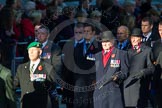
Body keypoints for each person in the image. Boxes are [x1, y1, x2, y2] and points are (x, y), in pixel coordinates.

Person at [14, 42, 56, 108]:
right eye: (29, 50)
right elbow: (14, 84)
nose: (31, 52)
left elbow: (53, 86)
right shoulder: (21, 68)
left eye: (33, 50)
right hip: (26, 104)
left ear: (40, 52)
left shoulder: (48, 67)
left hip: (42, 104)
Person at [93, 30, 129, 108]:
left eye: (107, 41)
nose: (104, 44)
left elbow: (125, 72)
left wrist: (118, 76)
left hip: (113, 92)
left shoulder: (121, 54)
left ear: (112, 41)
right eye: (103, 42)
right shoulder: (97, 56)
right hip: (99, 93)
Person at [123, 28, 155, 108]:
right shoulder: (128, 51)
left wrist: (142, 72)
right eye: (132, 38)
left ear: (140, 39)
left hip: (139, 86)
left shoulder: (147, 50)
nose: (133, 40)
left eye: (136, 37)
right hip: (127, 86)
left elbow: (152, 68)